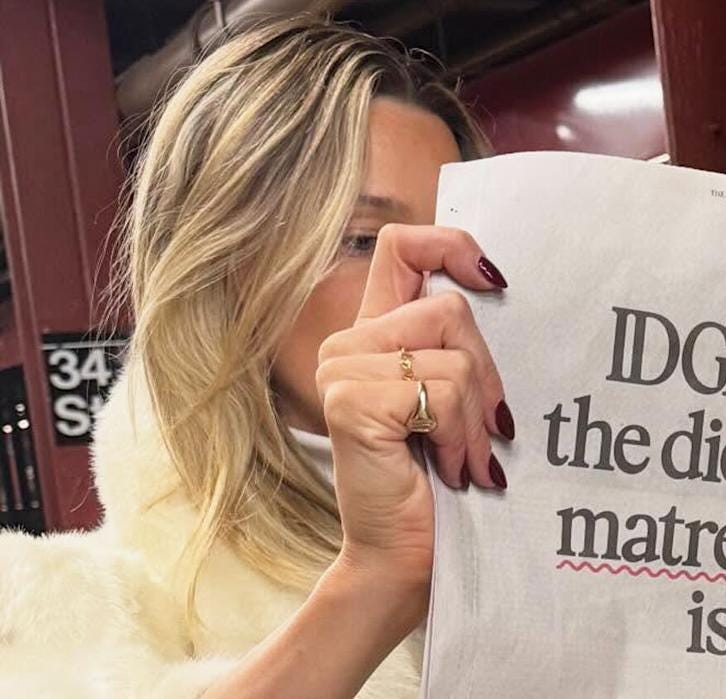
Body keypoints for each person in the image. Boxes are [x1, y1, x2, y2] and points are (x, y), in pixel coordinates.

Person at [0, 16, 509, 696]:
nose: (433, 290)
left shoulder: (562, 543)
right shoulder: (57, 621)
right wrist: (375, 581)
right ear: (225, 278)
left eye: (457, 245)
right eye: (362, 240)